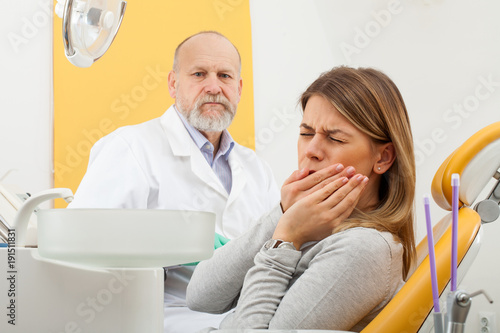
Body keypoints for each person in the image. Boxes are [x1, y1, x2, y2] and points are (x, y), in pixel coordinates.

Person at [68, 31, 281, 332]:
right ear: (173, 83)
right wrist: (165, 247)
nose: (213, 87)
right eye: (199, 74)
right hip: (164, 317)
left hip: (250, 315)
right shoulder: (130, 146)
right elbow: (80, 243)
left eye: (225, 76)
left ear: (239, 88)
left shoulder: (257, 169)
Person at [186, 66, 416, 331]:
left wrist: (285, 240)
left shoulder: (363, 249)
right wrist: (283, 213)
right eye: (306, 133)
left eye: (335, 138)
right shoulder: (312, 225)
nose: (312, 150)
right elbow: (200, 297)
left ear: (383, 158)